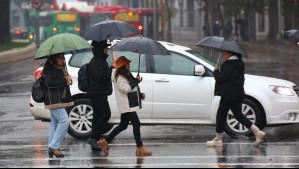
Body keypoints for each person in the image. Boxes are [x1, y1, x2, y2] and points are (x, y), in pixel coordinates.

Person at [207, 50, 267, 147]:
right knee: (238, 115)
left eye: (225, 53)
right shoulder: (240, 63)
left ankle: (218, 139)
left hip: (228, 94)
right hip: (238, 94)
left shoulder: (228, 65)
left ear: (230, 54)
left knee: (221, 114)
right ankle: (257, 132)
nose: (223, 54)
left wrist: (216, 71)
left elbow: (220, 79)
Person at [97, 56, 152, 156]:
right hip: (126, 105)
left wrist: (139, 95)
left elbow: (131, 88)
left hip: (128, 104)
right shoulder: (119, 77)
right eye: (127, 64)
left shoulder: (125, 75)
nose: (129, 65)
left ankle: (105, 141)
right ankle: (139, 147)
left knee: (123, 125)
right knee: (136, 124)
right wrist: (136, 81)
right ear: (122, 66)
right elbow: (126, 89)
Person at [43, 53, 73, 158]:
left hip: (59, 99)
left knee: (55, 124)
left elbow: (63, 82)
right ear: (55, 59)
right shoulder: (50, 69)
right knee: (64, 121)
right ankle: (54, 146)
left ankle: (51, 147)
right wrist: (65, 80)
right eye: (61, 58)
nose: (63, 60)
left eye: (63, 58)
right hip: (54, 100)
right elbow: (50, 83)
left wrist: (67, 78)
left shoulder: (60, 68)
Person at [87, 40, 114, 151]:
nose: (107, 50)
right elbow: (100, 77)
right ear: (101, 49)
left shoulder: (100, 60)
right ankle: (93, 137)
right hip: (97, 93)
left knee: (97, 116)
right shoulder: (97, 61)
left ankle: (95, 139)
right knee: (106, 114)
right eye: (106, 48)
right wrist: (111, 68)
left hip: (99, 92)